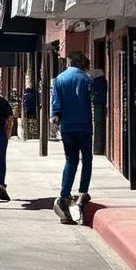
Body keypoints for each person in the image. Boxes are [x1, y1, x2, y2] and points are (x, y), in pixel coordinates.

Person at [51, 52, 93, 223]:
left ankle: (64, 196)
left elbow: (56, 105)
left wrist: (55, 119)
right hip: (84, 125)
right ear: (80, 62)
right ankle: (83, 192)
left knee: (71, 161)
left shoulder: (59, 79)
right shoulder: (86, 78)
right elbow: (94, 99)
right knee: (87, 159)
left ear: (70, 62)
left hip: (67, 127)